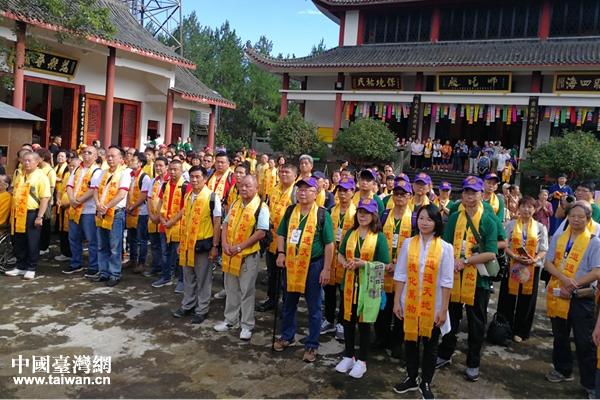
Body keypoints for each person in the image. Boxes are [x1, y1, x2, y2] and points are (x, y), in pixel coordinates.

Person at [437, 176, 499, 382]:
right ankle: (445, 352)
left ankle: (473, 362)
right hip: (454, 276)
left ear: (482, 195)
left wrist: (465, 261)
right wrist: (453, 263)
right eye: (466, 192)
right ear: (462, 195)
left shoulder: (488, 220)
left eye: (474, 192)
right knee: (450, 317)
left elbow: (491, 253)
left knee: (476, 322)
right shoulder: (455, 217)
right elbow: (445, 246)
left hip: (478, 279)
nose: (470, 196)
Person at [392, 204, 454, 399]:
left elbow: (447, 281)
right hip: (408, 302)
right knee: (410, 341)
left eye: (429, 219)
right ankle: (411, 377)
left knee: (430, 345)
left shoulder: (445, 248)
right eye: (421, 218)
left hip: (433, 305)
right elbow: (400, 274)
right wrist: (396, 302)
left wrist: (444, 309)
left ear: (437, 222)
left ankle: (426, 381)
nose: (424, 223)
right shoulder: (408, 243)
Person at [273, 177, 334, 363]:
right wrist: (281, 253)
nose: (303, 193)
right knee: (288, 303)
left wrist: (326, 269)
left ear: (316, 194)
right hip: (291, 264)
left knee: (314, 307)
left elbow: (329, 244)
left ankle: (312, 344)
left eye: (308, 190)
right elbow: (281, 234)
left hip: (313, 266)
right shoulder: (290, 211)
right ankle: (288, 336)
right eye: (300, 189)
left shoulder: (322, 215)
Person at [543, 201, 600, 399]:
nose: (576, 220)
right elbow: (548, 262)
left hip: (581, 297)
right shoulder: (560, 238)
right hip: (559, 292)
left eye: (580, 217)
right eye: (572, 216)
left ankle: (590, 383)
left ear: (588, 219)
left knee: (585, 340)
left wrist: (572, 284)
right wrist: (564, 280)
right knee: (560, 335)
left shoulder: (594, 242)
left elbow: (596, 272)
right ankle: (563, 369)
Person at [334, 198, 390, 379]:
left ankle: (362, 361)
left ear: (374, 216)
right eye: (360, 212)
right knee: (348, 320)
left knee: (365, 323)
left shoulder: (379, 237)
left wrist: (364, 265)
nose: (362, 216)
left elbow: (384, 264)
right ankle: (349, 356)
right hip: (349, 284)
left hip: (368, 286)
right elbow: (340, 254)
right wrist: (345, 264)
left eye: (366, 213)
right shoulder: (351, 233)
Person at [215, 175, 269, 339]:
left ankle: (247, 324)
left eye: (248, 186)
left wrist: (239, 247)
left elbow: (261, 232)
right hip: (230, 254)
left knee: (247, 291)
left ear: (256, 188)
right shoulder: (235, 203)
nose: (243, 189)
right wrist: (224, 243)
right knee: (231, 289)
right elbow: (225, 223)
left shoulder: (261, 207)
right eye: (241, 186)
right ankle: (231, 320)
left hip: (247, 256)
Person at [173, 165, 221, 324]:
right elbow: (185, 221)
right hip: (187, 244)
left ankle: (202, 309)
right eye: (192, 177)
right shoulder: (188, 196)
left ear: (205, 178)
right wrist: (181, 242)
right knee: (188, 276)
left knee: (203, 279)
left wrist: (215, 246)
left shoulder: (212, 197)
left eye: (197, 177)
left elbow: (217, 223)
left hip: (203, 245)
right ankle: (187, 305)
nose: (194, 180)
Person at [498, 196, 548, 343]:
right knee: (508, 298)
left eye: (530, 207)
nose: (526, 209)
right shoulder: (510, 225)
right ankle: (504, 327)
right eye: (523, 206)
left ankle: (521, 330)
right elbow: (505, 245)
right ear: (518, 208)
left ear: (535, 209)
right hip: (513, 265)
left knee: (527, 300)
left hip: (531, 268)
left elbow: (544, 249)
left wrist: (535, 259)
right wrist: (514, 256)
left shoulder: (540, 227)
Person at [375, 179, 414, 358]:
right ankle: (381, 337)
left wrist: (399, 265)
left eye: (403, 194)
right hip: (384, 268)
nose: (399, 197)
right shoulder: (384, 215)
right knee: (382, 305)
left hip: (405, 271)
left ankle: (397, 342)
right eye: (396, 194)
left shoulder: (415, 218)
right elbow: (375, 238)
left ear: (409, 197)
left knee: (400, 307)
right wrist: (385, 263)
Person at [257, 163, 298, 313]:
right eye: (281, 172)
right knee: (272, 272)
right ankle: (272, 299)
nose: (283, 174)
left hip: (288, 241)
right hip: (272, 238)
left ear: (295, 176)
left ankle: (287, 305)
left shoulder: (296, 192)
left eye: (287, 172)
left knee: (286, 276)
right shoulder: (275, 189)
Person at [5, 152, 50, 280]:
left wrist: (39, 216)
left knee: (32, 241)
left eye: (30, 160)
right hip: (18, 212)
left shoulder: (41, 177)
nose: (26, 163)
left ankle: (31, 268)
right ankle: (20, 266)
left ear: (37, 162)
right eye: (24, 160)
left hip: (32, 213)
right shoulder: (20, 174)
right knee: (19, 240)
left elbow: (45, 198)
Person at [322, 177, 356, 340]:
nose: (342, 193)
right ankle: (329, 320)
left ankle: (342, 322)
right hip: (331, 257)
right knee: (329, 291)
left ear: (352, 192)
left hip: (347, 259)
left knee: (344, 293)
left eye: (346, 190)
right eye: (340, 190)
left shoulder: (357, 213)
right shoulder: (330, 210)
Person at [92, 146, 131, 287]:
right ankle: (103, 272)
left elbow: (121, 194)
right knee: (102, 245)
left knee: (115, 246)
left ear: (121, 158)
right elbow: (95, 191)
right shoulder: (103, 172)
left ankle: (115, 274)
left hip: (115, 213)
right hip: (101, 212)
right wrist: (98, 205)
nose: (110, 158)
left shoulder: (125, 173)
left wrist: (106, 207)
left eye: (113, 156)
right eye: (108, 156)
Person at [153, 160, 191, 291]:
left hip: (178, 226)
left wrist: (173, 221)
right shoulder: (165, 185)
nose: (173, 172)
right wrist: (161, 217)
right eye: (171, 170)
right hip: (164, 224)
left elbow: (186, 207)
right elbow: (160, 202)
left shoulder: (186, 186)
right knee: (165, 253)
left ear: (181, 171)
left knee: (180, 254)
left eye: (176, 170)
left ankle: (182, 281)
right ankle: (166, 277)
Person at [63, 146, 101, 277]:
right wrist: (72, 199)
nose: (86, 154)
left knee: (92, 240)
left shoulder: (97, 171)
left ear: (95, 157)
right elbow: (69, 185)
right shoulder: (77, 169)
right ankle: (76, 263)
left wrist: (78, 200)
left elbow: (93, 190)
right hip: (74, 208)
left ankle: (94, 266)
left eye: (90, 153)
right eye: (84, 152)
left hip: (88, 210)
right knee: (74, 238)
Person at [124, 153, 152, 274]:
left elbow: (143, 196)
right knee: (132, 238)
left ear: (140, 164)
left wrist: (131, 207)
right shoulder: (129, 175)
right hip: (130, 211)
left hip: (141, 212)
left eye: (133, 160)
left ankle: (141, 262)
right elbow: (127, 193)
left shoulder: (144, 177)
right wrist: (127, 206)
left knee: (142, 239)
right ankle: (133, 259)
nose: (130, 161)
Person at [143, 156, 169, 278]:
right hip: (152, 218)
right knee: (154, 245)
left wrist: (159, 216)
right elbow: (149, 199)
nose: (158, 168)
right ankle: (156, 266)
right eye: (156, 166)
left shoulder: (170, 181)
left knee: (165, 247)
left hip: (164, 219)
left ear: (167, 167)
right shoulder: (153, 181)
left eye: (161, 166)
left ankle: (166, 270)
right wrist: (151, 215)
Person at [55, 156, 80, 262]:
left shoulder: (81, 177)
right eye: (70, 165)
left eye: (74, 166)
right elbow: (60, 190)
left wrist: (69, 203)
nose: (71, 168)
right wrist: (58, 199)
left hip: (73, 208)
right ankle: (64, 252)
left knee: (72, 233)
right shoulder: (67, 175)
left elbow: (81, 194)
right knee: (63, 231)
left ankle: (71, 254)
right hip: (62, 208)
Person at [36, 148, 56, 256]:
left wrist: (48, 201)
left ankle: (44, 246)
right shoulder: (38, 169)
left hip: (46, 200)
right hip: (36, 200)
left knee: (45, 224)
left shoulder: (49, 171)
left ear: (42, 158)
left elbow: (52, 188)